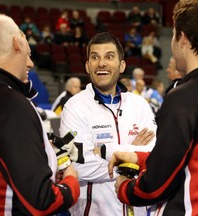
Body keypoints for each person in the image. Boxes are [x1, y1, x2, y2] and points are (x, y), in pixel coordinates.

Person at [108, 1, 198, 215]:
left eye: (173, 36)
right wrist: (140, 158)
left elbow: (156, 186)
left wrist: (125, 188)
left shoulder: (186, 96)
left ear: (182, 38)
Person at [0, 13, 80, 215]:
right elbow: (42, 202)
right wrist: (71, 181)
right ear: (17, 42)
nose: (30, 63)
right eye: (29, 53)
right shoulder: (9, 104)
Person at [59, 32, 157, 216]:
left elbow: (154, 155)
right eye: (95, 57)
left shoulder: (140, 104)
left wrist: (104, 152)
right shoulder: (74, 107)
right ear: (88, 66)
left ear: (121, 65)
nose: (101, 63)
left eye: (109, 57)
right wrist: (132, 154)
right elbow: (78, 165)